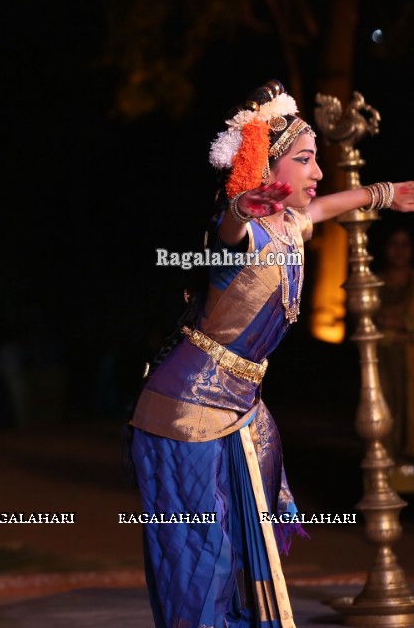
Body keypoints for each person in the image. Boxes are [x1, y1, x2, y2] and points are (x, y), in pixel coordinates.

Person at [130, 80, 414, 628]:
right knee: (201, 557)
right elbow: (229, 227)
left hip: (238, 407)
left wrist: (382, 193)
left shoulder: (288, 225)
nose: (318, 172)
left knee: (237, 546)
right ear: (272, 168)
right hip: (184, 412)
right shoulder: (243, 231)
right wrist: (241, 203)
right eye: (306, 160)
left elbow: (325, 206)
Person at [377, 225, 414, 458]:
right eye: (394, 244)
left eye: (405, 245)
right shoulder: (373, 284)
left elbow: (384, 319)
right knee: (386, 411)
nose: (399, 251)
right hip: (383, 361)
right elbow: (369, 322)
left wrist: (394, 323)